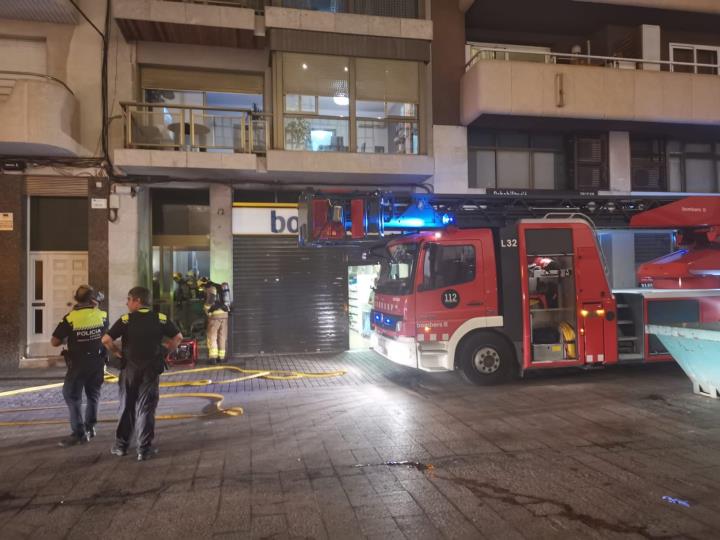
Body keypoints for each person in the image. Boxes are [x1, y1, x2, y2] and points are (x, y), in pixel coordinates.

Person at [102, 286, 182, 461]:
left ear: (137, 301)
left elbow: (106, 340)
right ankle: (144, 450)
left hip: (129, 369)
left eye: (129, 299)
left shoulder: (126, 320)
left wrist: (117, 353)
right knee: (146, 408)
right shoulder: (160, 319)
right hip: (151, 369)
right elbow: (178, 338)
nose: (127, 303)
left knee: (127, 407)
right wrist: (165, 351)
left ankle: (121, 446)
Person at [51, 285, 108, 447]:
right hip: (97, 362)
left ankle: (79, 433)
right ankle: (90, 428)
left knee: (72, 396)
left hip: (78, 364)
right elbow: (104, 334)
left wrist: (67, 339)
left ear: (77, 299)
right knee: (93, 395)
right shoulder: (102, 316)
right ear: (92, 300)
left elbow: (54, 341)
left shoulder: (70, 318)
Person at [203, 279, 230, 364]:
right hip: (224, 315)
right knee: (222, 336)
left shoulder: (211, 288)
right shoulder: (221, 287)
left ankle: (213, 358)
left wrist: (206, 310)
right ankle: (221, 357)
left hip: (215, 316)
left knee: (212, 337)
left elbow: (210, 300)